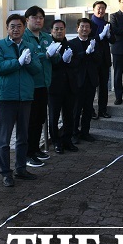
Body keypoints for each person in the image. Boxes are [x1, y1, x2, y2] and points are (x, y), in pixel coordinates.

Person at [0, 14, 42, 186]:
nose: (16, 29)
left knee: (23, 136)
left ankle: (21, 168)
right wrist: (18, 62)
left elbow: (37, 69)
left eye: (19, 26)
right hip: (6, 97)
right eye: (12, 26)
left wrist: (27, 63)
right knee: (4, 139)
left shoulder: (29, 46)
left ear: (23, 27)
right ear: (7, 28)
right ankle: (6, 173)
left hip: (25, 96)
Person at [23, 6, 61, 168]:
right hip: (30, 85)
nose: (38, 20)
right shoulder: (23, 37)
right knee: (30, 121)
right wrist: (44, 55)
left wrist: (57, 55)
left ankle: (35, 149)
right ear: (27, 20)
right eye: (34, 17)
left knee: (39, 119)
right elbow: (27, 56)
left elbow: (55, 61)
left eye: (40, 18)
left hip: (44, 84)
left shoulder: (47, 37)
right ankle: (27, 154)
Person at [48, 20, 79, 153]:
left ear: (65, 30)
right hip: (54, 88)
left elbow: (76, 63)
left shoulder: (71, 45)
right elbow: (48, 65)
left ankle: (67, 140)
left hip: (69, 86)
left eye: (61, 29)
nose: (59, 31)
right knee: (54, 117)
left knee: (69, 116)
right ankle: (56, 142)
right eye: (56, 29)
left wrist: (69, 61)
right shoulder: (49, 46)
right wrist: (60, 61)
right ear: (51, 31)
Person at [70, 18, 102, 142]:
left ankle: (85, 132)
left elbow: (99, 60)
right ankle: (73, 133)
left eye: (87, 27)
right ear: (77, 28)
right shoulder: (72, 43)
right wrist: (85, 53)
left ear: (90, 29)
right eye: (82, 26)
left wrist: (93, 52)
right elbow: (73, 61)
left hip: (91, 80)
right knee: (76, 109)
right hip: (78, 81)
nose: (84, 29)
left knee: (88, 108)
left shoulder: (94, 43)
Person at [90, 0, 116, 119]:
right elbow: (87, 39)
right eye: (98, 8)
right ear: (94, 9)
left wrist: (109, 35)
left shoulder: (108, 24)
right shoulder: (89, 24)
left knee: (103, 87)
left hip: (104, 59)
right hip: (92, 60)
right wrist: (99, 37)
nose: (101, 10)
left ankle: (103, 110)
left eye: (103, 8)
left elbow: (113, 40)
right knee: (91, 87)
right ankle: (90, 110)